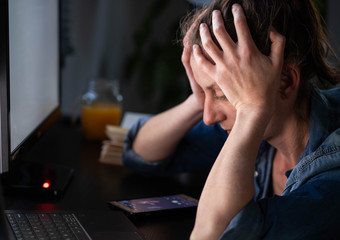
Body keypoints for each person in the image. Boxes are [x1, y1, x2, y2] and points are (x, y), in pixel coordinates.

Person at [123, 0, 340, 239]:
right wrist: (199, 99)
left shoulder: (332, 174)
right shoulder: (263, 124)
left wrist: (250, 109)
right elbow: (140, 152)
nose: (208, 117)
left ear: (285, 81)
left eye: (223, 94)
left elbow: (210, 234)